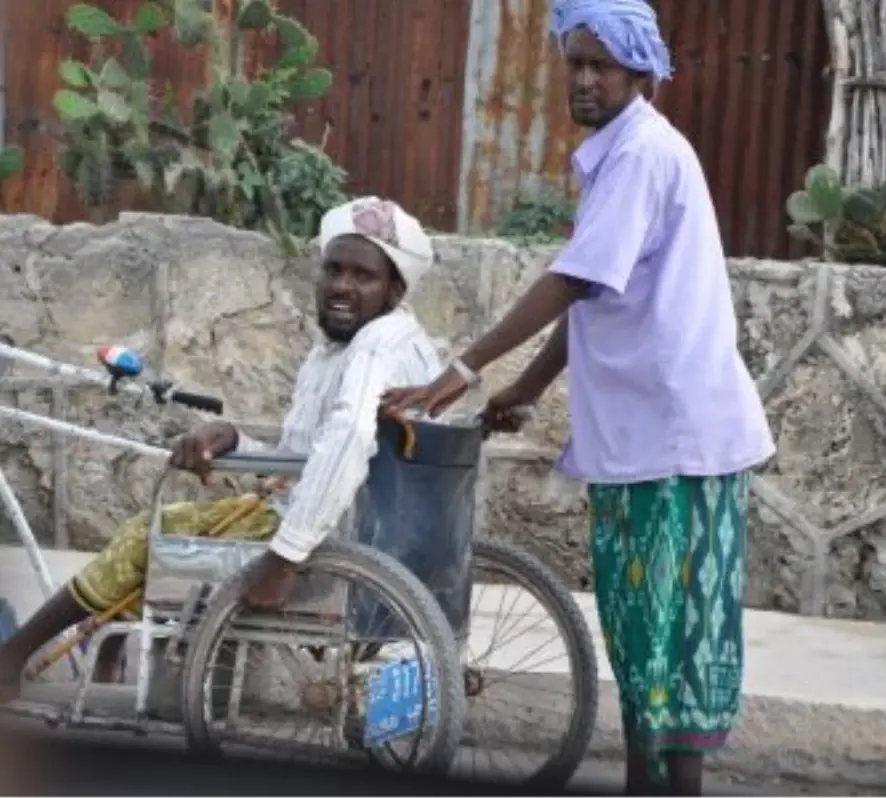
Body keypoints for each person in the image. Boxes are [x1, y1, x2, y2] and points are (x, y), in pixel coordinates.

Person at [379, 1, 775, 795]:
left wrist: (465, 368)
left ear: (640, 73)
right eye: (575, 63)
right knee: (643, 646)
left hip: (674, 441)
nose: (584, 79)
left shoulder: (640, 156)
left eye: (601, 65)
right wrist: (525, 388)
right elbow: (597, 293)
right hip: (652, 440)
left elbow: (573, 280)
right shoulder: (620, 156)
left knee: (665, 650)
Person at [0, 197, 444, 701]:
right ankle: (107, 650)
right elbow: (302, 457)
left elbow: (347, 445)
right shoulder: (356, 348)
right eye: (333, 269)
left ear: (394, 288)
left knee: (146, 537)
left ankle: (12, 660)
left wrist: (286, 557)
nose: (342, 286)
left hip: (325, 533)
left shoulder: (375, 347)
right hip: (361, 524)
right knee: (172, 531)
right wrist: (234, 438)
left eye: (362, 276)